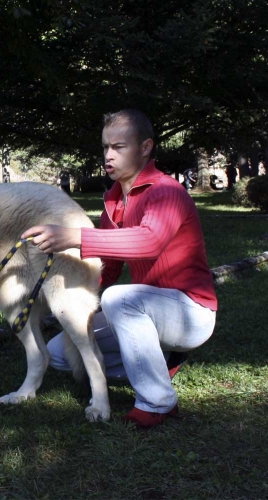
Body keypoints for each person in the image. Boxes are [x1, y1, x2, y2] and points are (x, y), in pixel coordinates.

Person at [22, 109, 217, 428]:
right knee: (61, 351)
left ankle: (157, 402)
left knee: (119, 299)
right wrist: (76, 305)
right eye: (105, 147)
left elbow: (149, 241)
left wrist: (73, 237)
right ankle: (160, 362)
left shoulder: (167, 191)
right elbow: (108, 268)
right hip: (151, 310)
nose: (109, 155)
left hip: (190, 314)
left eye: (119, 147)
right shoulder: (112, 203)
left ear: (145, 148)